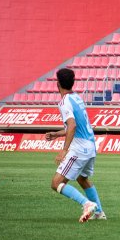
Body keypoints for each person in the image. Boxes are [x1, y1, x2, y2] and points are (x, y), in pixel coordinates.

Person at [45, 68, 105, 222]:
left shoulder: (64, 102)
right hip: (91, 146)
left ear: (57, 84)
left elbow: (72, 126)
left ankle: (87, 204)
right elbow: (74, 125)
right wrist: (56, 134)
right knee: (82, 179)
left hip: (79, 148)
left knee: (56, 183)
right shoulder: (76, 97)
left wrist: (64, 150)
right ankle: (99, 213)